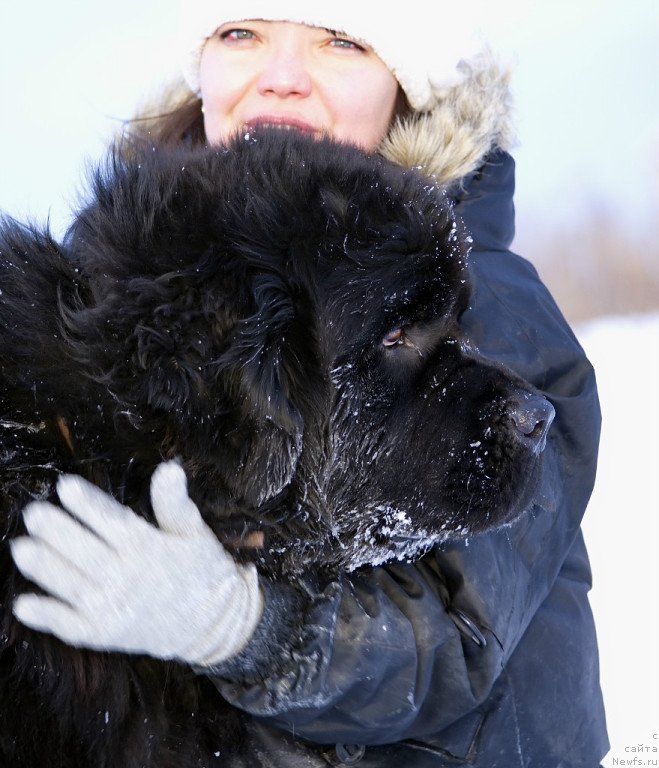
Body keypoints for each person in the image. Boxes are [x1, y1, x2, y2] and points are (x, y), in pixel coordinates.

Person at [9, 2, 609, 765]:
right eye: (241, 33)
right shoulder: (104, 292)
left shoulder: (497, 305)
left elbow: (450, 630)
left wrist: (238, 626)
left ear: (406, 85)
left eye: (340, 41)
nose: (281, 77)